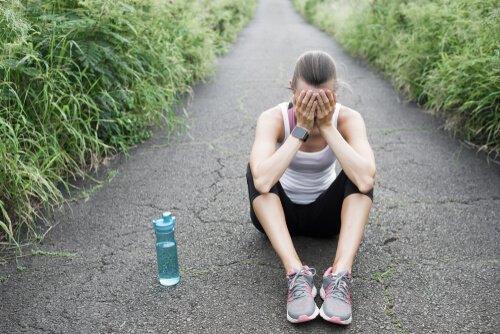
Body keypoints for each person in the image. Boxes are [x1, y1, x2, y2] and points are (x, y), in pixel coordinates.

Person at [246, 50, 375, 325]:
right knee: (257, 169)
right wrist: (300, 129)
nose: (314, 106)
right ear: (292, 89)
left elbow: (365, 181)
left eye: (323, 98)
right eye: (305, 98)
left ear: (335, 93)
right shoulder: (273, 118)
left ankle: (339, 276)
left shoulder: (348, 119)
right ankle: (296, 274)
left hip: (325, 218)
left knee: (360, 172)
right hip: (279, 217)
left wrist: (328, 127)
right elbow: (262, 182)